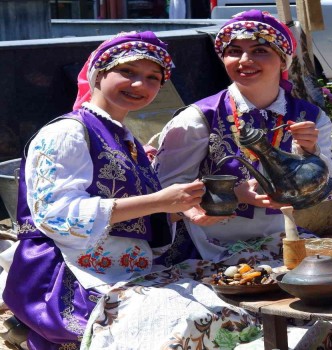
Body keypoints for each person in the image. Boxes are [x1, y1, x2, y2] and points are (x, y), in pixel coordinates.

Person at [0, 31, 250, 349]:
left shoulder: (123, 138)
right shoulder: (68, 133)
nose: (139, 85)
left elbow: (136, 217)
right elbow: (57, 217)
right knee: (194, 323)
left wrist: (178, 211)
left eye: (152, 78)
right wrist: (157, 201)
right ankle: (38, 328)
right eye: (127, 72)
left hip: (128, 267)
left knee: (233, 302)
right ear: (98, 73)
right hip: (70, 276)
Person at [154, 10, 332, 266]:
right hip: (207, 245)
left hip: (279, 238)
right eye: (234, 51)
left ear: (283, 60)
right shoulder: (198, 118)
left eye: (260, 51)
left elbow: (330, 190)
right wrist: (233, 194)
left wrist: (311, 154)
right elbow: (164, 189)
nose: (245, 60)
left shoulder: (309, 117)